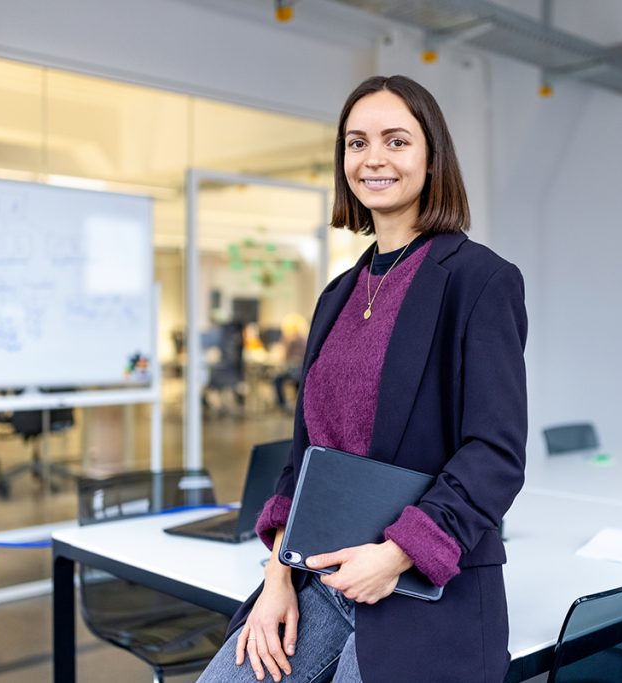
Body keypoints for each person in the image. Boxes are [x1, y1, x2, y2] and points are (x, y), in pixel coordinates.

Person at [197, 74, 527, 683]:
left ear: (432, 159)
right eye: (356, 142)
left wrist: (396, 555)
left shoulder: (479, 281)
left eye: (396, 141)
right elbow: (307, 456)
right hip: (316, 577)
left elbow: (495, 455)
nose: (373, 158)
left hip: (422, 581)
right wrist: (277, 579)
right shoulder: (338, 295)